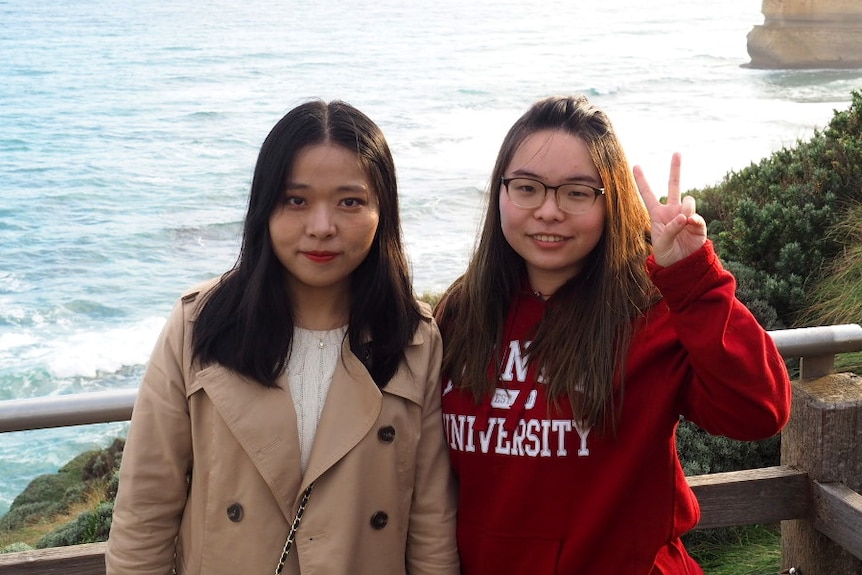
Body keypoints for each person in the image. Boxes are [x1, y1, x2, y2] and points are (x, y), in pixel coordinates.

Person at [434, 95, 792, 574]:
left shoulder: (651, 313)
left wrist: (694, 279)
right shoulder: (462, 315)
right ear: (500, 192)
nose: (548, 211)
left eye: (577, 193)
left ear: (611, 202)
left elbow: (760, 412)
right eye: (527, 188)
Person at [106, 100, 459, 575]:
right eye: (296, 200)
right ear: (265, 207)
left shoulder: (413, 338)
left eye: (350, 202)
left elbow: (430, 524)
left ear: (383, 212)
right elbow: (145, 512)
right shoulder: (200, 326)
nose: (322, 227)